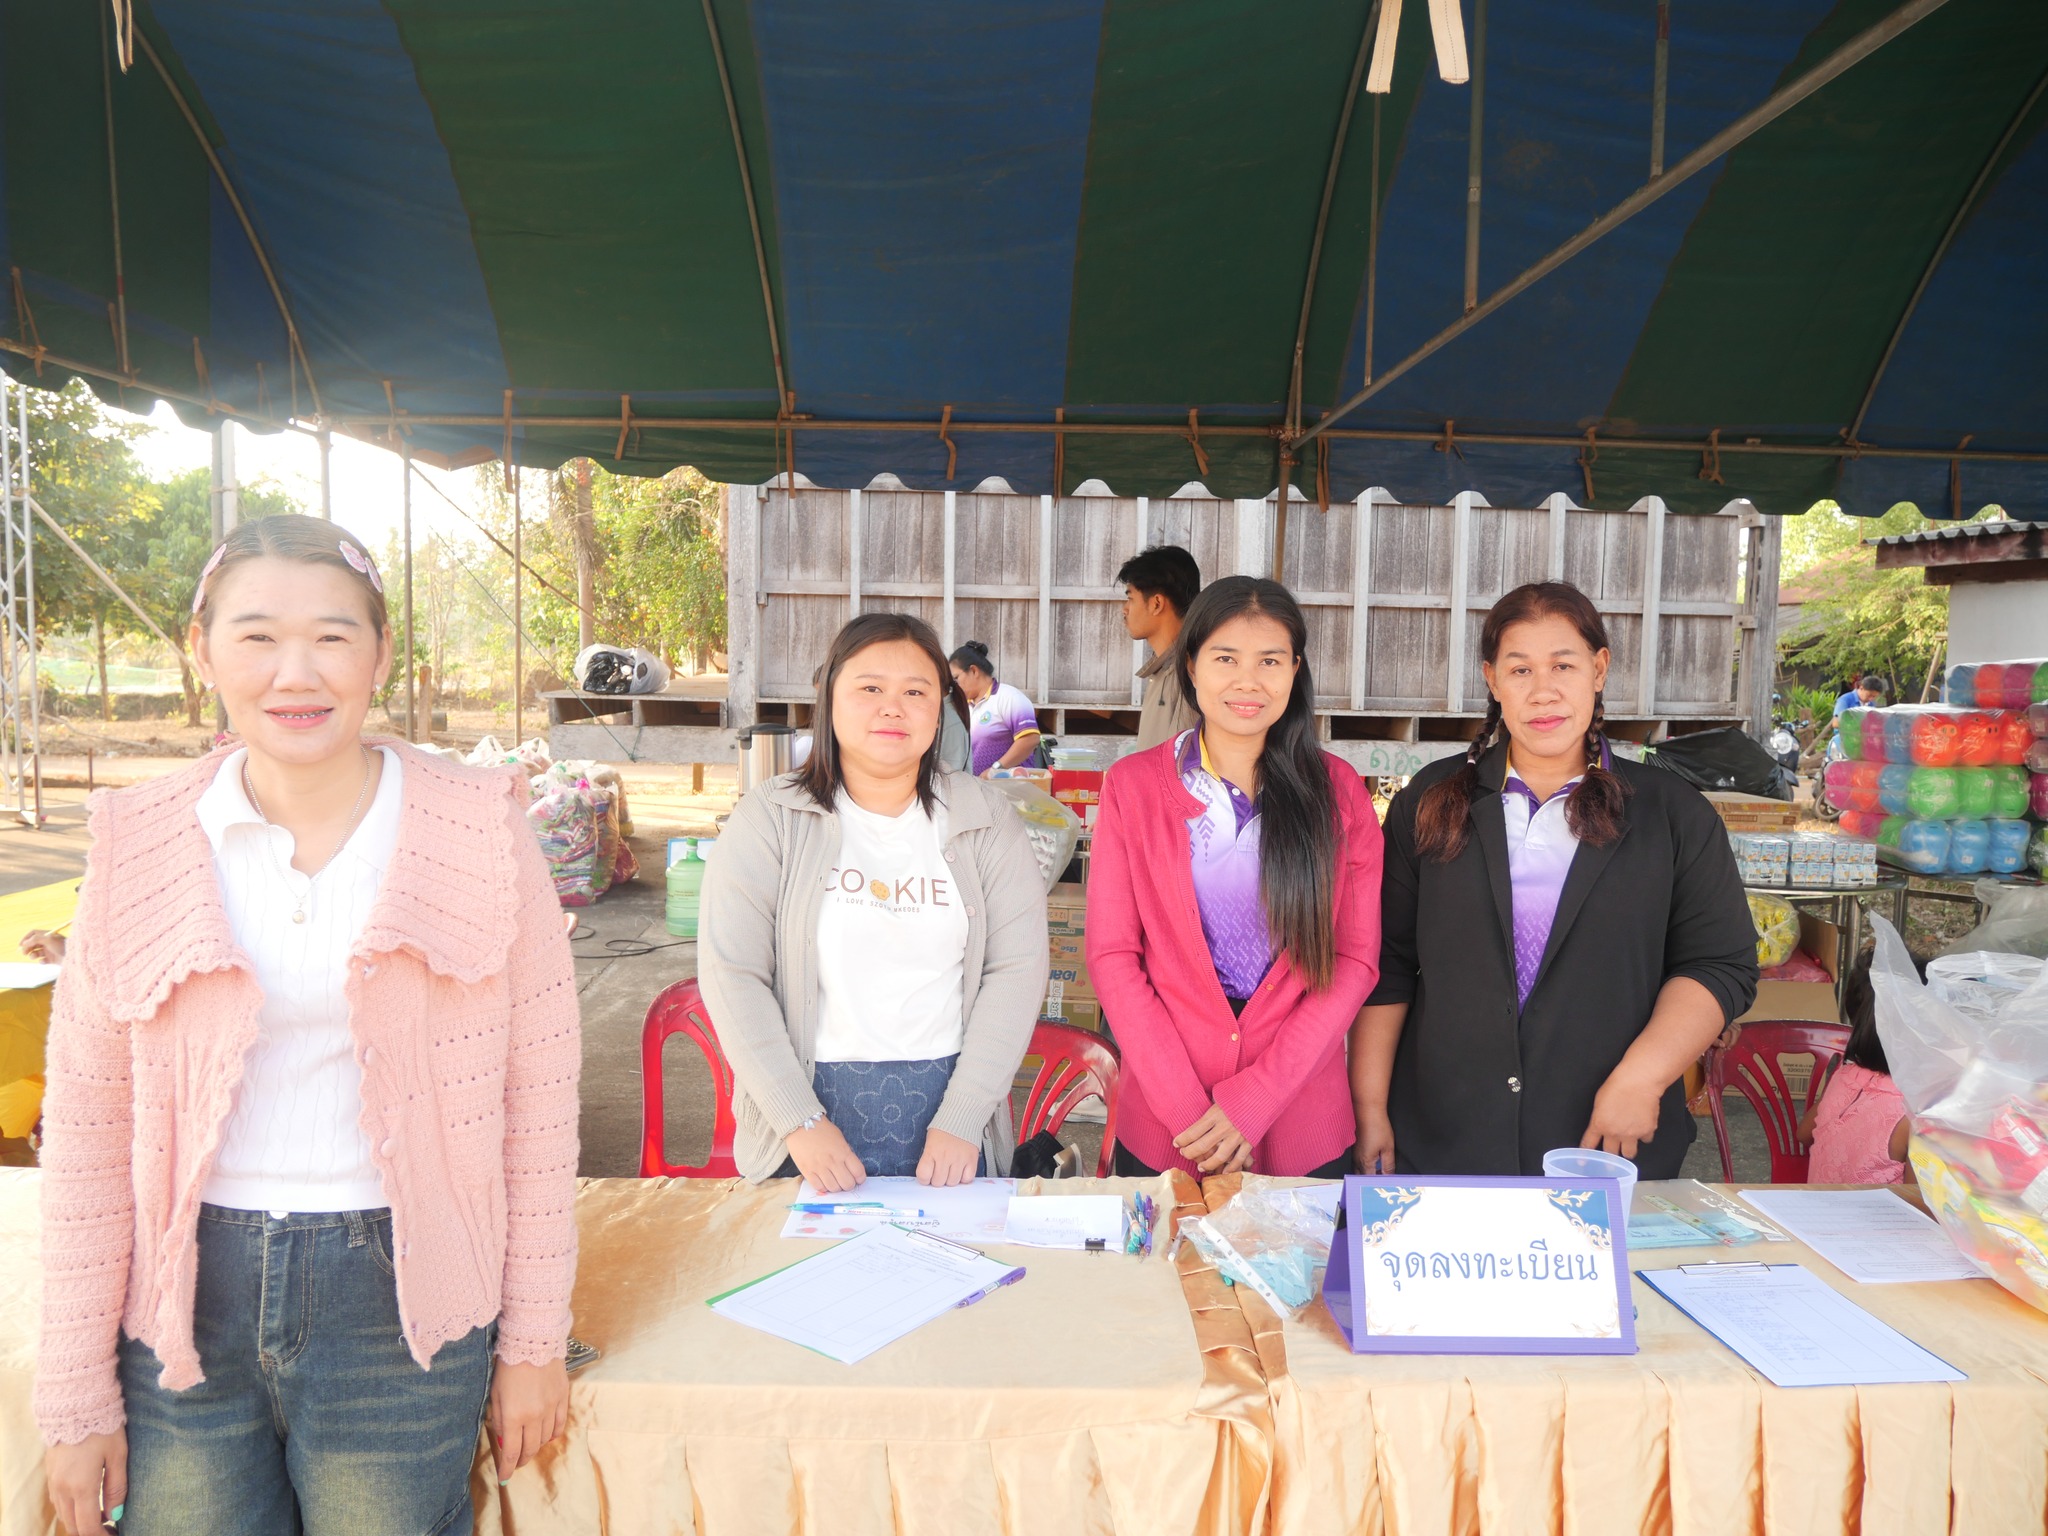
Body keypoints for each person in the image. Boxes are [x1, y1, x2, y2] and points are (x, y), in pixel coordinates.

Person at [36, 515, 580, 1536]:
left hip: (406, 1303)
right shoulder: (138, 839)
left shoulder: (478, 826)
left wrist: (534, 1342)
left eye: (333, 636)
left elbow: (539, 1105)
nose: (297, 672)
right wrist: (75, 1391)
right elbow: (89, 1131)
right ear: (201, 651)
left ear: (381, 652)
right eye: (257, 636)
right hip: (181, 1301)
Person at [1352, 580, 1758, 1179]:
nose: (1543, 691)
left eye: (1563, 665)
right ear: (1493, 680)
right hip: (1444, 1138)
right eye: (1520, 670)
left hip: (1606, 1143)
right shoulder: (1432, 801)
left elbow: (1718, 964)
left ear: (1599, 669)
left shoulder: (1671, 813)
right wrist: (1370, 1108)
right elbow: (1386, 963)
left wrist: (1643, 1078)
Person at [699, 613, 1048, 1191]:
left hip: (951, 1115)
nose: (893, 708)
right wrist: (799, 1119)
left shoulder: (986, 819)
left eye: (915, 692)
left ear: (941, 709)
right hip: (804, 1117)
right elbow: (731, 972)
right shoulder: (770, 817)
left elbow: (1016, 970)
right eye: (869, 688)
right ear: (830, 698)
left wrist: (963, 1118)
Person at [1086, 576, 1384, 1179]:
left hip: (1300, 1118)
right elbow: (1114, 957)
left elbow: (1353, 961)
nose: (1248, 681)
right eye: (1225, 659)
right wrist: (1187, 1111)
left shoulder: (1339, 792)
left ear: (1294, 670)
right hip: (1170, 1127)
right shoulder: (1132, 787)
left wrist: (1255, 1101)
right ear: (1191, 666)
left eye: (1270, 661)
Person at [1803, 955, 1915, 1185]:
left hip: (1815, 1205)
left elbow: (1804, 1133)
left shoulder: (1844, 1076)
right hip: (1883, 1211)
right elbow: (1922, 1198)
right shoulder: (1914, 1113)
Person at [1117, 545, 1202, 751]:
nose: (1125, 609)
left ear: (1156, 604)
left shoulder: (1189, 672)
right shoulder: (1164, 670)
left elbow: (1184, 761)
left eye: (1130, 598)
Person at [948, 641, 1042, 776]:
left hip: (1012, 786)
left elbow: (1030, 739)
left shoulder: (1009, 698)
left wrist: (996, 769)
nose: (955, 686)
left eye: (956, 679)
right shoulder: (963, 707)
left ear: (974, 671)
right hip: (977, 786)